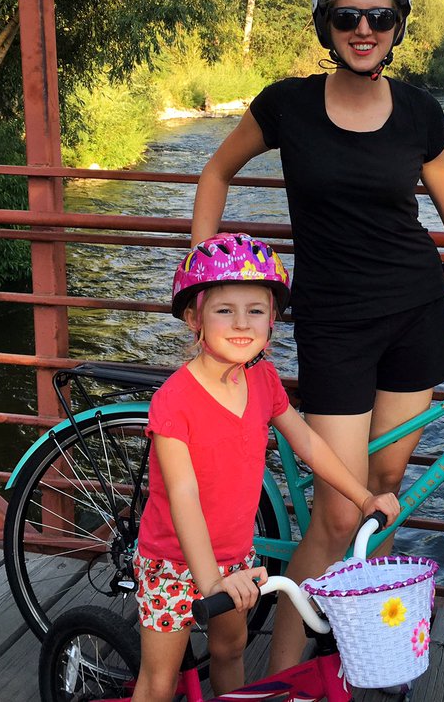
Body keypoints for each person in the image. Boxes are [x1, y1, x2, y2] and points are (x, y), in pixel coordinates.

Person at [190, 0, 444, 673]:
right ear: (326, 26)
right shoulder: (287, 105)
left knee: (384, 497)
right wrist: (202, 275)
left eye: (379, 16)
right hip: (335, 323)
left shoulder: (421, 113)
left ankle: (368, 653)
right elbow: (215, 171)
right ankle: (284, 679)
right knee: (339, 512)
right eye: (348, 16)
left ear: (397, 26)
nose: (363, 29)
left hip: (414, 315)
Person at [130, 232, 400, 702]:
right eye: (224, 310)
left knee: (231, 651)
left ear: (272, 319)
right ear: (194, 317)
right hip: (174, 561)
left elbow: (308, 442)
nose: (242, 323)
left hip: (235, 555)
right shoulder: (174, 401)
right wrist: (210, 579)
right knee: (159, 680)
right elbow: (183, 494)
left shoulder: (262, 377)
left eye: (255, 310)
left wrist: (363, 497)